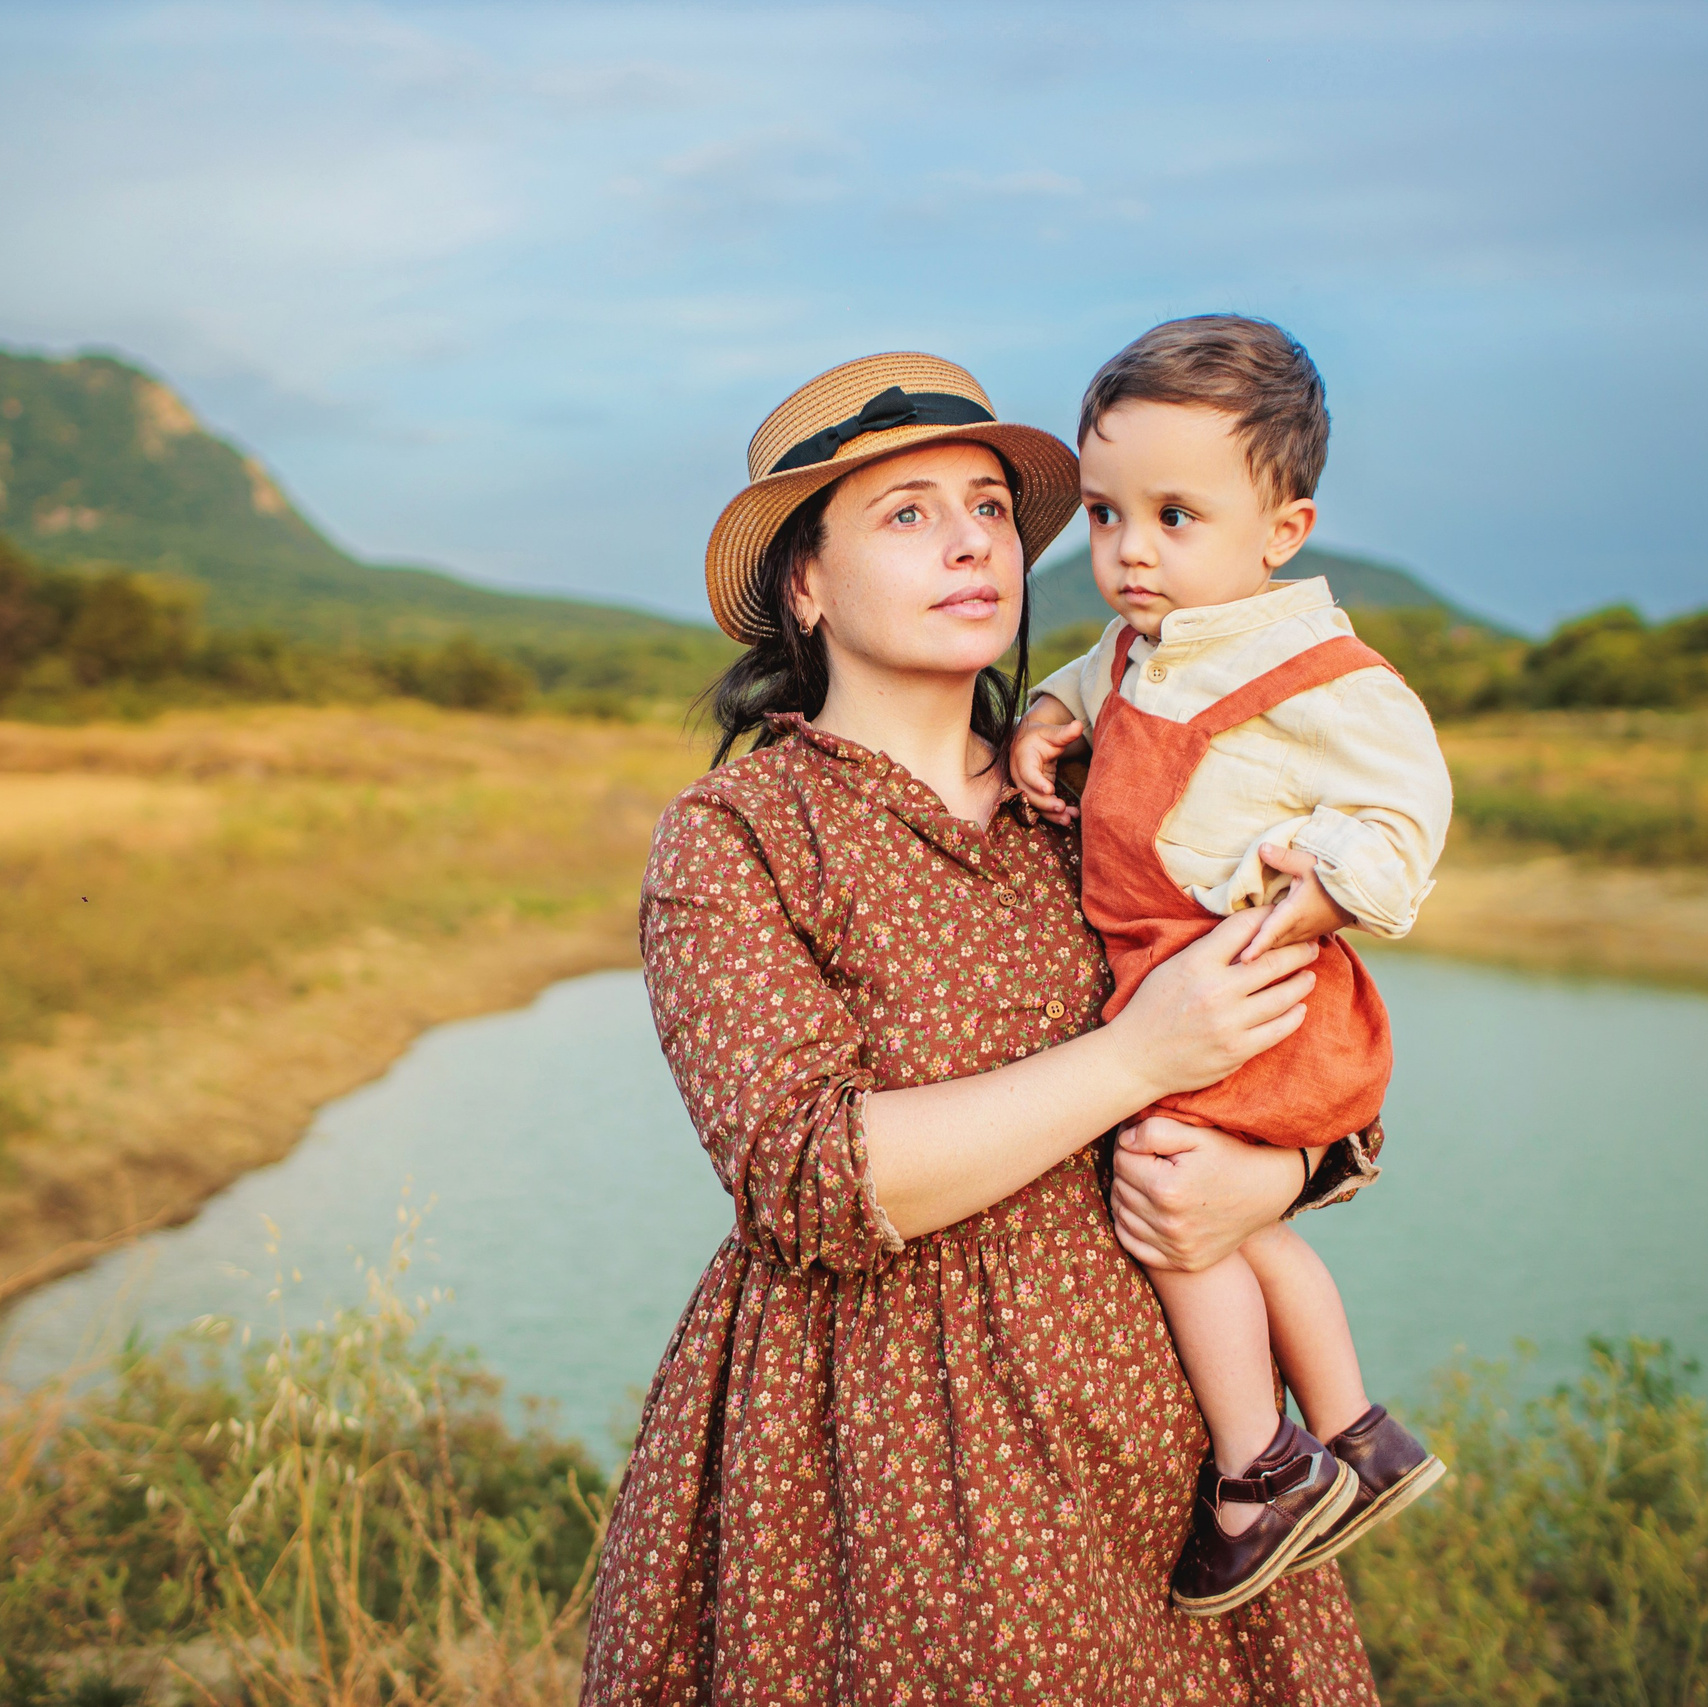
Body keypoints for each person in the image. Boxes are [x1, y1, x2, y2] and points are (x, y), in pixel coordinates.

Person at [580, 350, 1384, 1702]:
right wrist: (1134, 1058)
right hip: (874, 1462)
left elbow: (1310, 1056)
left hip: (1174, 1457)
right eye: (905, 514)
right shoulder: (737, 840)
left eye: (989, 508)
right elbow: (807, 1179)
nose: (970, 542)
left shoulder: (1104, 795)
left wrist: (1282, 1169)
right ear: (806, 585)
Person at [1012, 315, 1451, 1617]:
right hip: (1203, 990)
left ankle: (1262, 1468)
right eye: (1105, 513)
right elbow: (1108, 677)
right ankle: (1363, 1433)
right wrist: (1049, 709)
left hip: (1258, 995)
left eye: (1175, 517)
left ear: (1284, 531)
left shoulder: (1321, 674)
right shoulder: (1157, 638)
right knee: (1243, 1222)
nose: (1130, 553)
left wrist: (1307, 897)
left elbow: (1403, 831)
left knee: (1173, 1204)